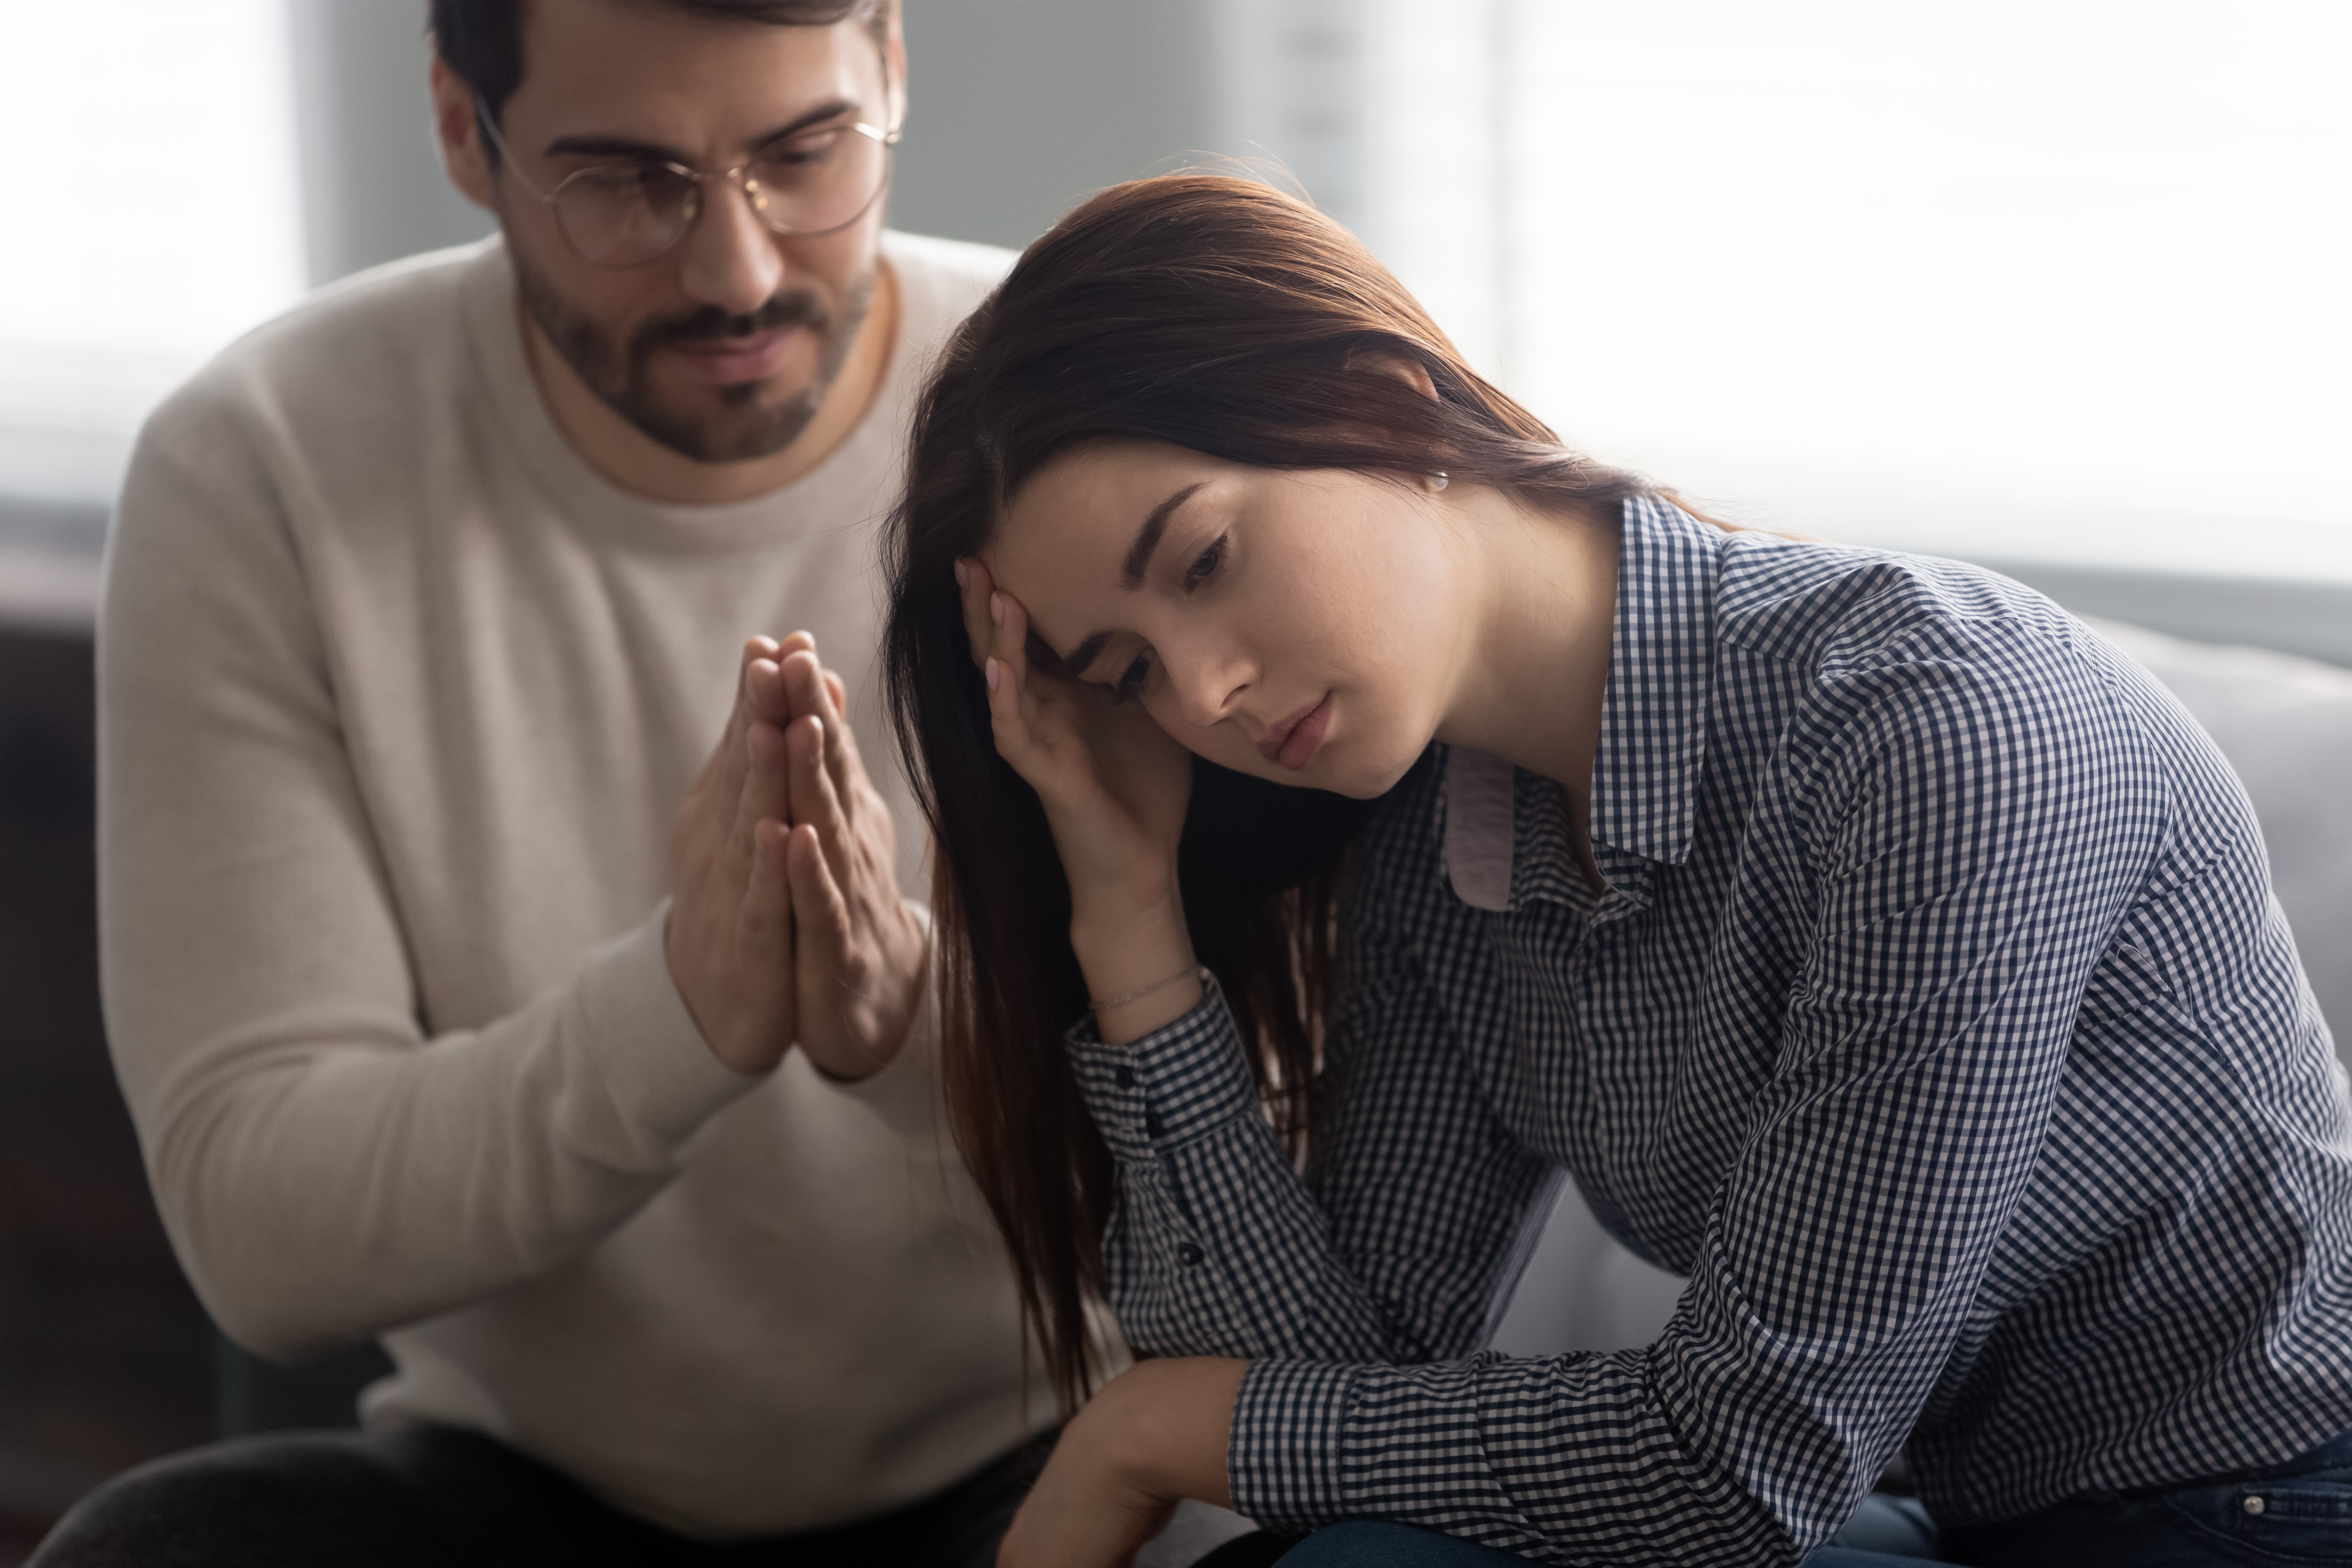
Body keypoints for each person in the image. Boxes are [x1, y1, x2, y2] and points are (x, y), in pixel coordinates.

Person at [880, 174, 2352, 1568]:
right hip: (1974, 1519)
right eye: (1129, 674)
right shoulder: (1436, 852)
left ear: (1381, 406)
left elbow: (1743, 1464)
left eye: (1201, 563)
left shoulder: (1940, 727)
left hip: (2270, 1506)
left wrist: (1140, 1436)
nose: (1203, 698)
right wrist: (1131, 916)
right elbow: (1320, 1403)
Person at [44, 1, 1066, 1564]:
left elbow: (1288, 1139)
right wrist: (678, 1013)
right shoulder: (262, 467)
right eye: (627, 182)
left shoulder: (1070, 418)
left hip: (1061, 1448)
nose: (737, 269)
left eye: (806, 154)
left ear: (894, 70)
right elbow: (261, 1230)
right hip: (531, 1486)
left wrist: (908, 1023)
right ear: (467, 132)